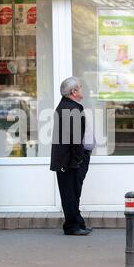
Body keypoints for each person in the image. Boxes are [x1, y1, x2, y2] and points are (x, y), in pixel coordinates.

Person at [50, 77, 93, 236]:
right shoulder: (71, 108)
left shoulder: (68, 106)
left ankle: (77, 223)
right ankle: (72, 226)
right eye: (80, 88)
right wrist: (79, 158)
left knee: (73, 193)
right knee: (70, 194)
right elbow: (74, 139)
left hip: (68, 160)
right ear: (73, 92)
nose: (82, 90)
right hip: (70, 161)